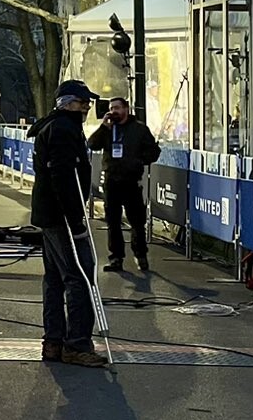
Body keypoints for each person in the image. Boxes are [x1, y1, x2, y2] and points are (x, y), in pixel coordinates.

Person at [30, 79, 107, 368]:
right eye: (82, 102)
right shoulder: (63, 129)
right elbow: (63, 177)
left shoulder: (53, 126)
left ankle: (53, 340)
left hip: (49, 213)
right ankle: (76, 344)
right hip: (61, 215)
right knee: (80, 276)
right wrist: (75, 220)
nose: (87, 107)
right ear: (68, 103)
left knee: (54, 278)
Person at [90, 95, 161, 274]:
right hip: (112, 180)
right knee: (113, 222)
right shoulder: (108, 129)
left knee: (137, 220)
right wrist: (103, 127)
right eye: (111, 108)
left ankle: (140, 254)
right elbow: (92, 144)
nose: (113, 111)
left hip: (131, 180)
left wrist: (138, 161)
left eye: (117, 108)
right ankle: (116, 257)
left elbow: (153, 151)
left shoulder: (139, 129)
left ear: (126, 109)